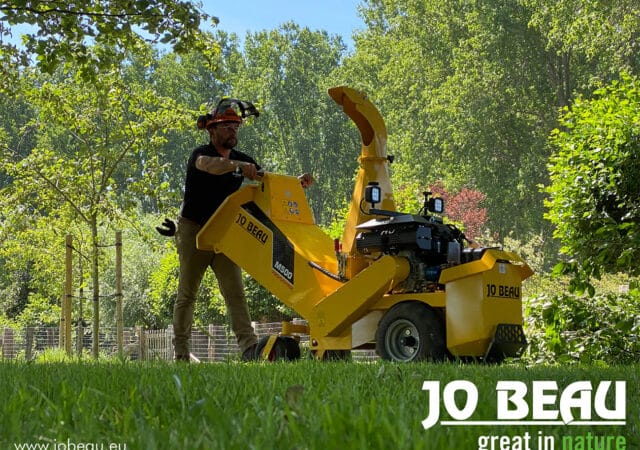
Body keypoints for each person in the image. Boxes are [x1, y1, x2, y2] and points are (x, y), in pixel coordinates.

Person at [171, 99, 313, 362]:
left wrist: (296, 183)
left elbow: (266, 179)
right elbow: (210, 166)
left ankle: (249, 350)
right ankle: (181, 353)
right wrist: (236, 168)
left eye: (235, 127)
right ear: (212, 130)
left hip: (224, 232)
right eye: (226, 127)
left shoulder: (244, 160)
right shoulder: (200, 154)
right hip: (194, 231)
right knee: (187, 294)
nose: (233, 131)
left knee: (235, 293)